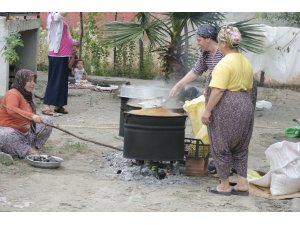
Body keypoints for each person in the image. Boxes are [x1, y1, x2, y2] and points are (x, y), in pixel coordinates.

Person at [201, 25, 255, 196]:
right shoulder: (246, 62)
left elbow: (217, 90)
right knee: (240, 146)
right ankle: (242, 184)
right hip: (246, 104)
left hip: (227, 105)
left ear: (223, 42)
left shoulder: (225, 63)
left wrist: (207, 111)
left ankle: (224, 185)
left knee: (221, 144)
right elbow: (249, 89)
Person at [0, 69, 53, 158]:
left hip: (25, 133)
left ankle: (34, 148)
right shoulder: (12, 93)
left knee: (47, 121)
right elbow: (11, 110)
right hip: (10, 132)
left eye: (33, 81)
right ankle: (27, 151)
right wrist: (32, 116)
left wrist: (35, 119)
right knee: (5, 135)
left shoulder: (27, 96)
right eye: (29, 81)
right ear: (21, 81)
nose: (33, 84)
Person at [169, 24, 223, 101]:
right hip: (211, 94)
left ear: (208, 39)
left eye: (199, 40)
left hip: (221, 94)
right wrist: (178, 85)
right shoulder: (205, 54)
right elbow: (195, 71)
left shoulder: (223, 52)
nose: (198, 43)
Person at [42, 12, 74, 115]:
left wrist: (72, 42)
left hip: (63, 54)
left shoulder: (59, 19)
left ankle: (59, 106)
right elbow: (61, 14)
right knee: (54, 80)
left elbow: (64, 36)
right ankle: (46, 106)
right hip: (57, 54)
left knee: (62, 81)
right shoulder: (53, 15)